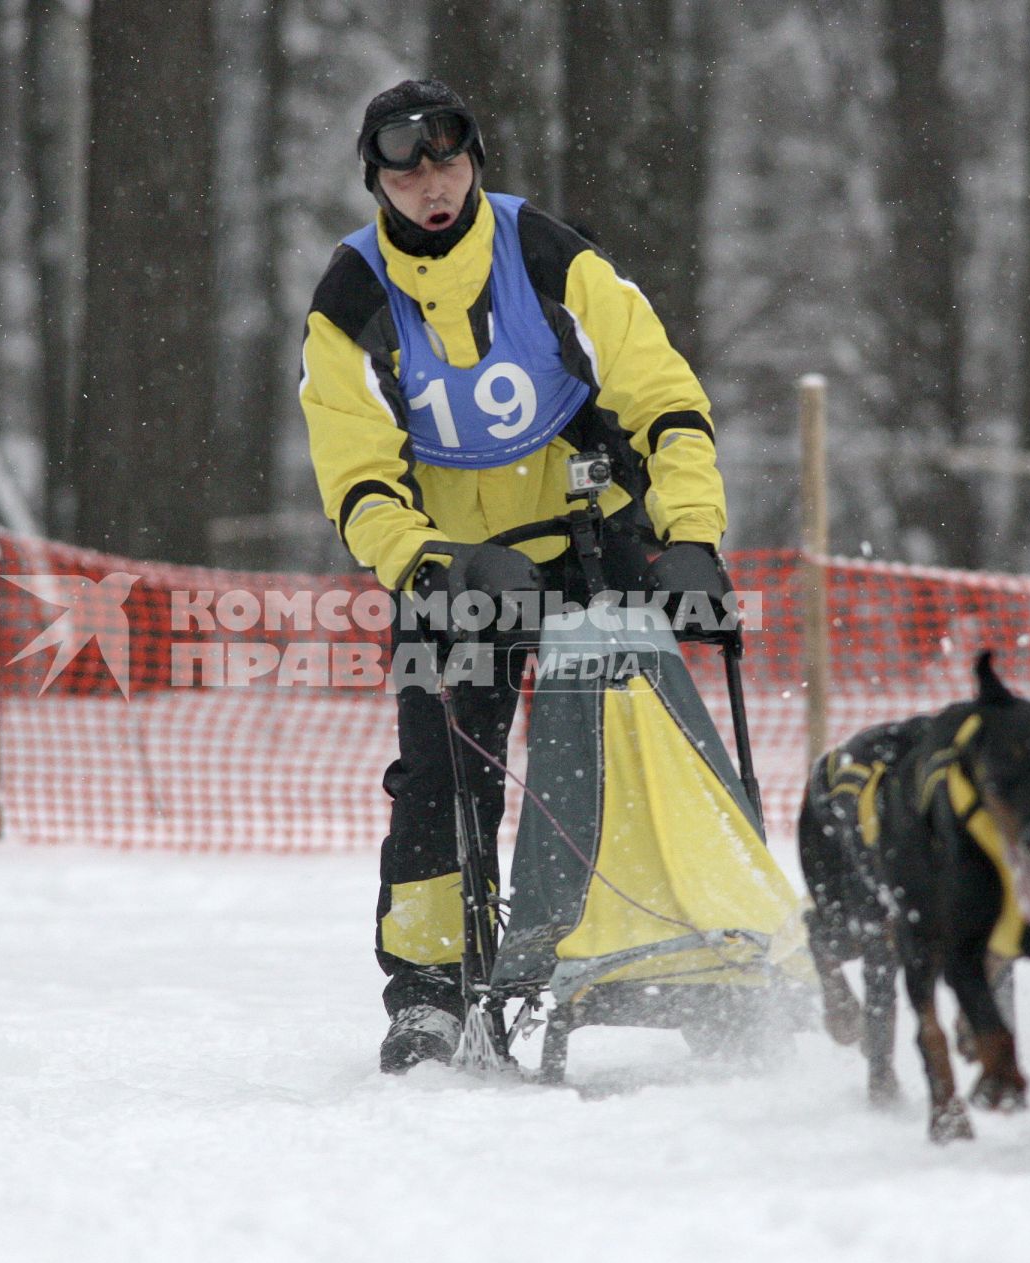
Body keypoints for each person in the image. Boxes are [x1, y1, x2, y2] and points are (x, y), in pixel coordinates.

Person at [299, 79, 734, 1073]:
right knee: (439, 778)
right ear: (378, 183)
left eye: (448, 163)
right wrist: (427, 563)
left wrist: (694, 536)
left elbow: (665, 395)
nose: (432, 186)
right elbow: (356, 475)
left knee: (631, 746)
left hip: (588, 540)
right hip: (455, 569)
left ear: (475, 165)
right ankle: (430, 994)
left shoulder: (549, 257)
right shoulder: (350, 301)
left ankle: (675, 950)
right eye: (407, 171)